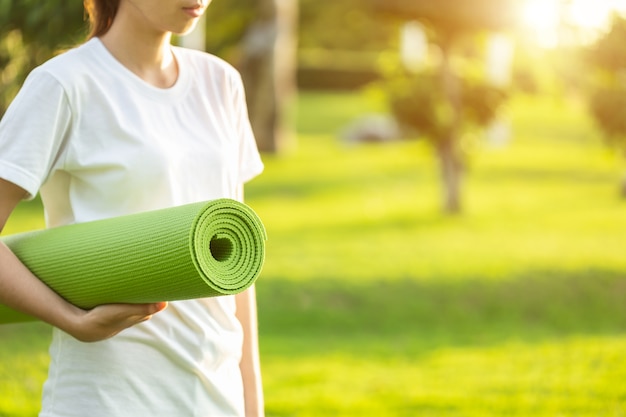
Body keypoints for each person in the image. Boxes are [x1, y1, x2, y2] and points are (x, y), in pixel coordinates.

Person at [0, 0, 265, 416]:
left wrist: (252, 404)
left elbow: (235, 267)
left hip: (216, 395)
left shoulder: (221, 83)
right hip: (107, 397)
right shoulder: (65, 84)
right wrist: (70, 319)